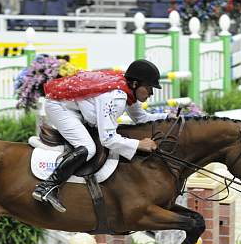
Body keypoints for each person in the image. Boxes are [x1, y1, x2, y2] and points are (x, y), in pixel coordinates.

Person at [32, 59, 169, 213]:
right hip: (59, 107)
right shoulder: (117, 97)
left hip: (74, 107)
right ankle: (47, 187)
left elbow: (141, 118)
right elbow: (108, 138)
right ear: (136, 84)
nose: (151, 93)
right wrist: (139, 144)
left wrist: (168, 118)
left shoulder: (128, 90)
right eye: (149, 87)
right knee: (88, 148)